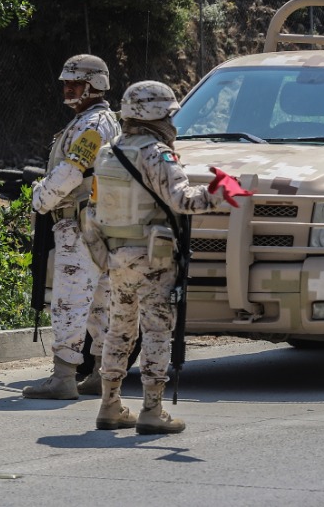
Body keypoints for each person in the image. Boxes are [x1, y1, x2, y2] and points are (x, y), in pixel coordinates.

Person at [90, 81, 242, 434]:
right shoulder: (157, 153)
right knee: (156, 330)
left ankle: (109, 404)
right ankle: (152, 409)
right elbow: (183, 201)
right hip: (152, 258)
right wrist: (220, 193)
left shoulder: (108, 151)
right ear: (158, 116)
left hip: (115, 255)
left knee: (119, 329)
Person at [22, 54, 119, 400]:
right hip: (100, 225)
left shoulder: (91, 126)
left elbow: (72, 171)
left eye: (75, 83)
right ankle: (101, 375)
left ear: (94, 87)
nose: (68, 88)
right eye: (66, 82)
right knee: (100, 303)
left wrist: (40, 198)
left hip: (78, 226)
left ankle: (63, 378)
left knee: (69, 300)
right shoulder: (99, 121)